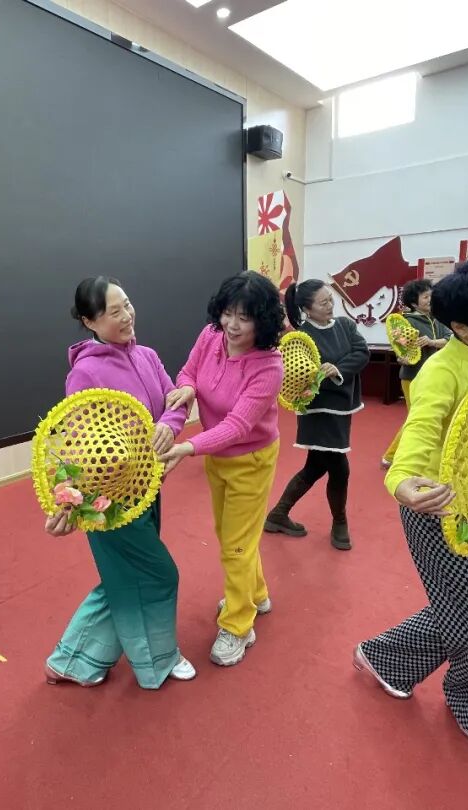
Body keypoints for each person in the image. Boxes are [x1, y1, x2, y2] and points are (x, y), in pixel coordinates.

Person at [353, 258, 468, 749]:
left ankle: (385, 658)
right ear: (461, 326)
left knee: (460, 607)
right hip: (437, 510)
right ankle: (467, 699)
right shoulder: (442, 370)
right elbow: (420, 429)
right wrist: (402, 482)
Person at [43, 277, 196, 689]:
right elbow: (74, 446)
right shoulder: (85, 373)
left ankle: (72, 660)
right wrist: (68, 503)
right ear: (89, 321)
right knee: (159, 574)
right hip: (108, 500)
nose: (127, 316)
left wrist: (168, 426)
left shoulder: (147, 356)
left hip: (147, 488)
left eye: (127, 305)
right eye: (115, 312)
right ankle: (158, 661)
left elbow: (175, 400)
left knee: (124, 578)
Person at [159, 271, 285, 667]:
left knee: (235, 545)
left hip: (251, 459)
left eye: (244, 318)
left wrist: (188, 447)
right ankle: (256, 593)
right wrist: (188, 388)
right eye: (228, 313)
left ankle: (238, 624)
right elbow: (188, 372)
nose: (232, 325)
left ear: (262, 321)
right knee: (233, 536)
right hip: (217, 455)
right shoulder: (211, 335)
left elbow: (237, 427)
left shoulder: (269, 366)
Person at [264, 279, 370, 550]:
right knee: (339, 468)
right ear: (307, 309)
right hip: (318, 410)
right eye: (323, 303)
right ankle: (340, 523)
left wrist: (337, 369)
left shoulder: (345, 325)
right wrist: (320, 375)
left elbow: (361, 352)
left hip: (341, 407)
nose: (330, 305)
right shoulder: (301, 338)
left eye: (330, 299)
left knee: (315, 467)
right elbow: (299, 376)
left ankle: (278, 514)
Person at [381, 278, 453, 467]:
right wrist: (402, 358)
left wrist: (431, 342)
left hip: (435, 377)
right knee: (417, 418)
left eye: (431, 296)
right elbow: (401, 351)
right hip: (413, 378)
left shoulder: (437, 319)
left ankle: (428, 456)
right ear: (414, 302)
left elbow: (450, 339)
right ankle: (390, 456)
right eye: (425, 297)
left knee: (430, 417)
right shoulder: (405, 322)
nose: (430, 300)